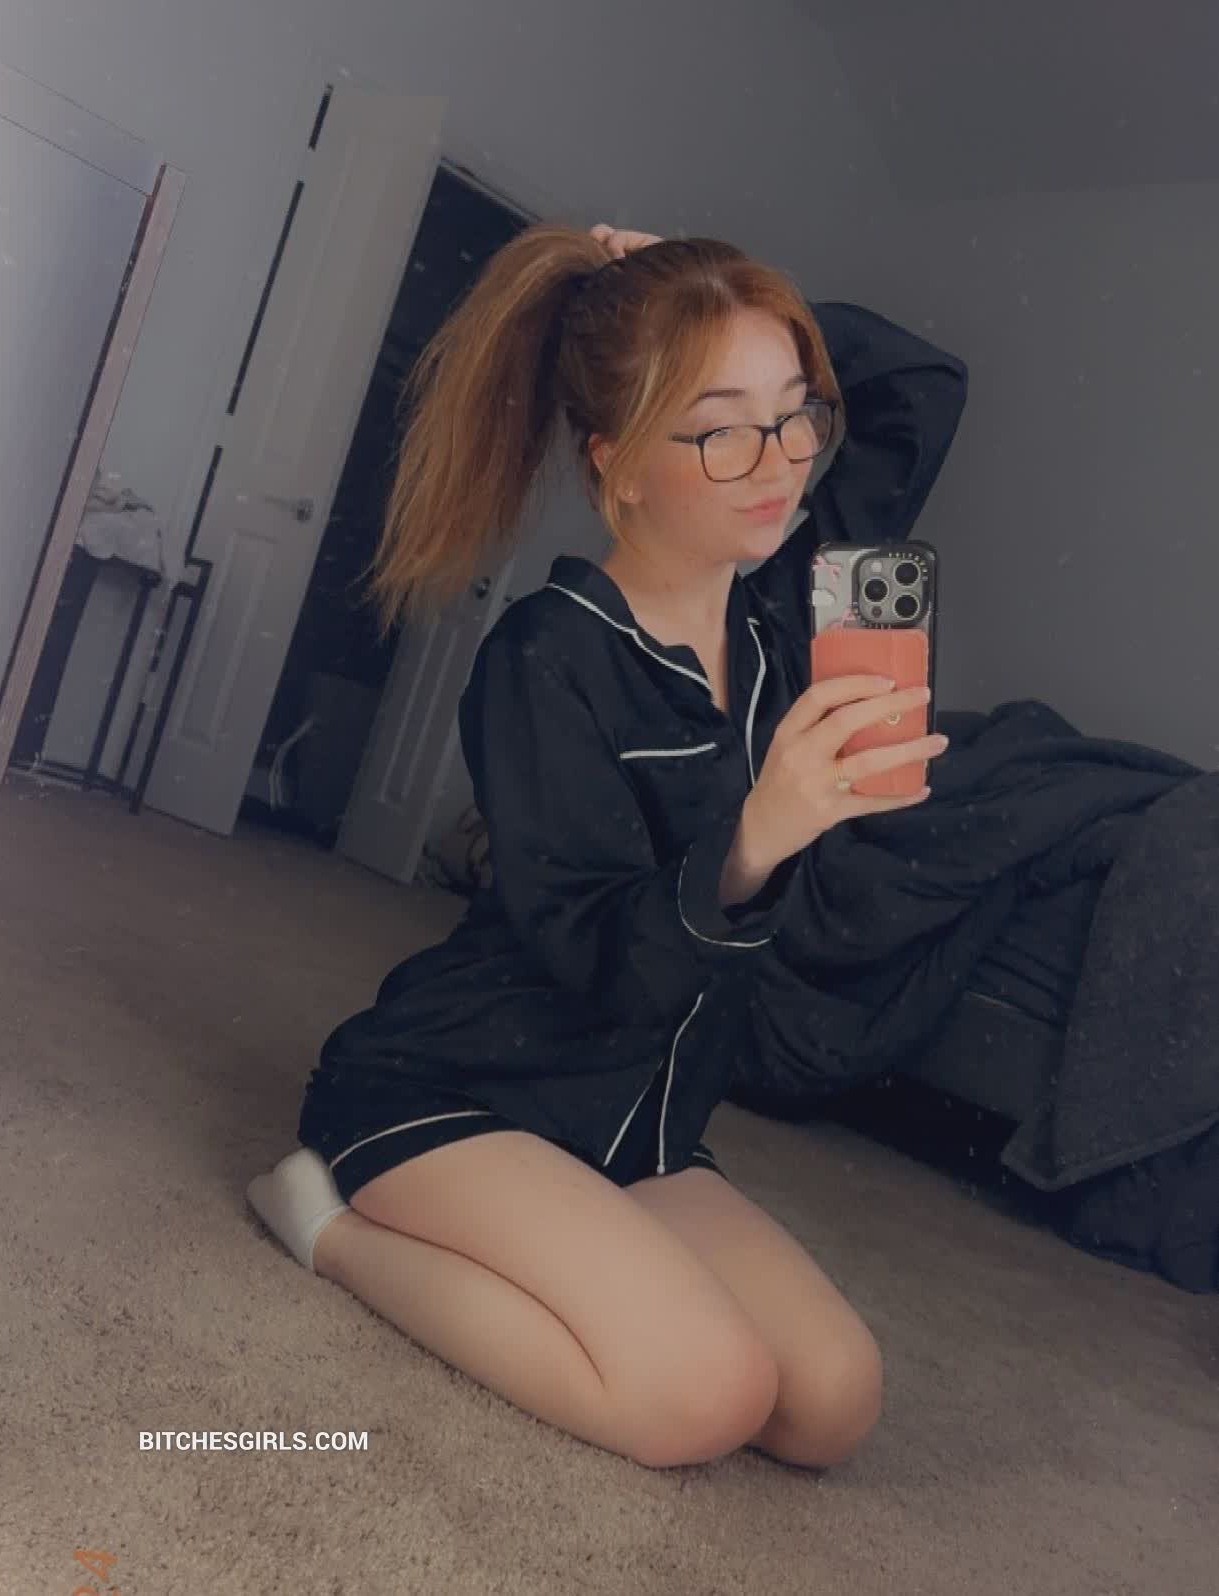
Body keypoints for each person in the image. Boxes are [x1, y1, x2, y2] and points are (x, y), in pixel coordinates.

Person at [247, 219, 967, 1472]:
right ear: (617, 466)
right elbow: (596, 957)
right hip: (461, 1091)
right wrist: (752, 841)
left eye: (794, 415)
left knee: (830, 1404)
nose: (780, 463)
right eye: (721, 428)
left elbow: (919, 390)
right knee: (701, 1397)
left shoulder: (791, 613)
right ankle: (325, 1222)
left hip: (637, 1125)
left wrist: (701, 288)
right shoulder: (547, 655)